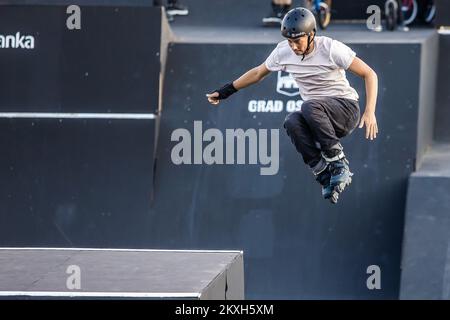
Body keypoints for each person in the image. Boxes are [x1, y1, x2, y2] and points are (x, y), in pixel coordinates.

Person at [206, 7, 378, 204]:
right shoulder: (283, 52)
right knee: (291, 121)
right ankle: (323, 173)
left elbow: (369, 74)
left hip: (345, 110)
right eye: (290, 41)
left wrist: (370, 111)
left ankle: (339, 163)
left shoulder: (330, 48)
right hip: (319, 118)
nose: (294, 47)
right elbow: (257, 74)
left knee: (308, 107)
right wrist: (225, 91)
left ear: (311, 34)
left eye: (297, 41)